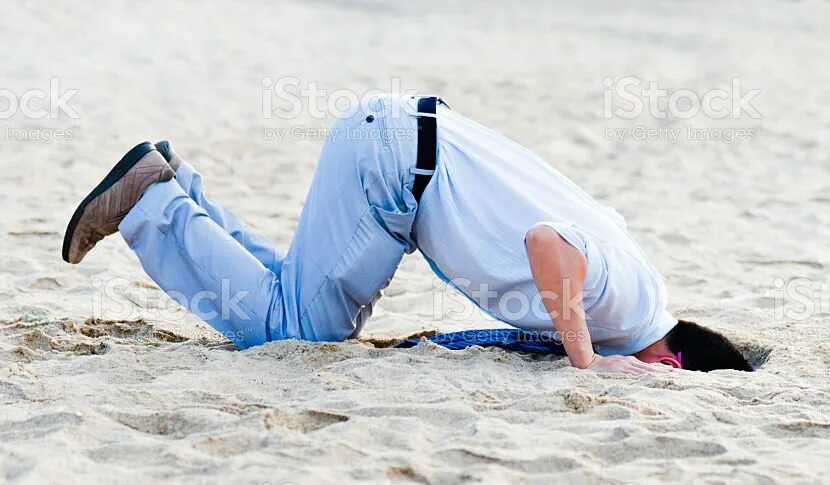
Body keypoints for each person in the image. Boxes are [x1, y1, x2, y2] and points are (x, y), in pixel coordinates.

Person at [62, 95, 752, 374]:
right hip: (394, 167)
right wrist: (586, 361)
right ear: (672, 368)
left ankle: (178, 188)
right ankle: (150, 203)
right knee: (296, 331)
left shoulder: (641, 293)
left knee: (295, 297)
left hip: (400, 149)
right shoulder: (629, 308)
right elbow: (549, 245)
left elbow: (591, 226)